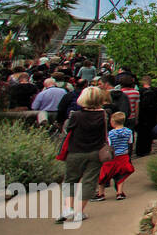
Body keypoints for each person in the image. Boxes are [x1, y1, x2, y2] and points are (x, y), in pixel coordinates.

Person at [56, 86, 111, 224]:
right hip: (95, 152)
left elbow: (67, 129)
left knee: (70, 180)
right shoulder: (104, 115)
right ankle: (79, 211)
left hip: (75, 151)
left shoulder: (75, 115)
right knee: (89, 181)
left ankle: (68, 208)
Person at [98, 111, 136, 200]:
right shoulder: (129, 132)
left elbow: (110, 145)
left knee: (104, 175)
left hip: (113, 156)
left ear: (113, 122)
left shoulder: (111, 134)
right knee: (121, 174)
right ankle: (119, 192)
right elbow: (130, 143)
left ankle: (101, 194)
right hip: (124, 156)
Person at [136, 75, 157, 157]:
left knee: (141, 134)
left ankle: (140, 150)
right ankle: (147, 149)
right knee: (149, 132)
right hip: (152, 114)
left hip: (142, 115)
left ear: (143, 82)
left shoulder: (139, 91)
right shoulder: (156, 90)